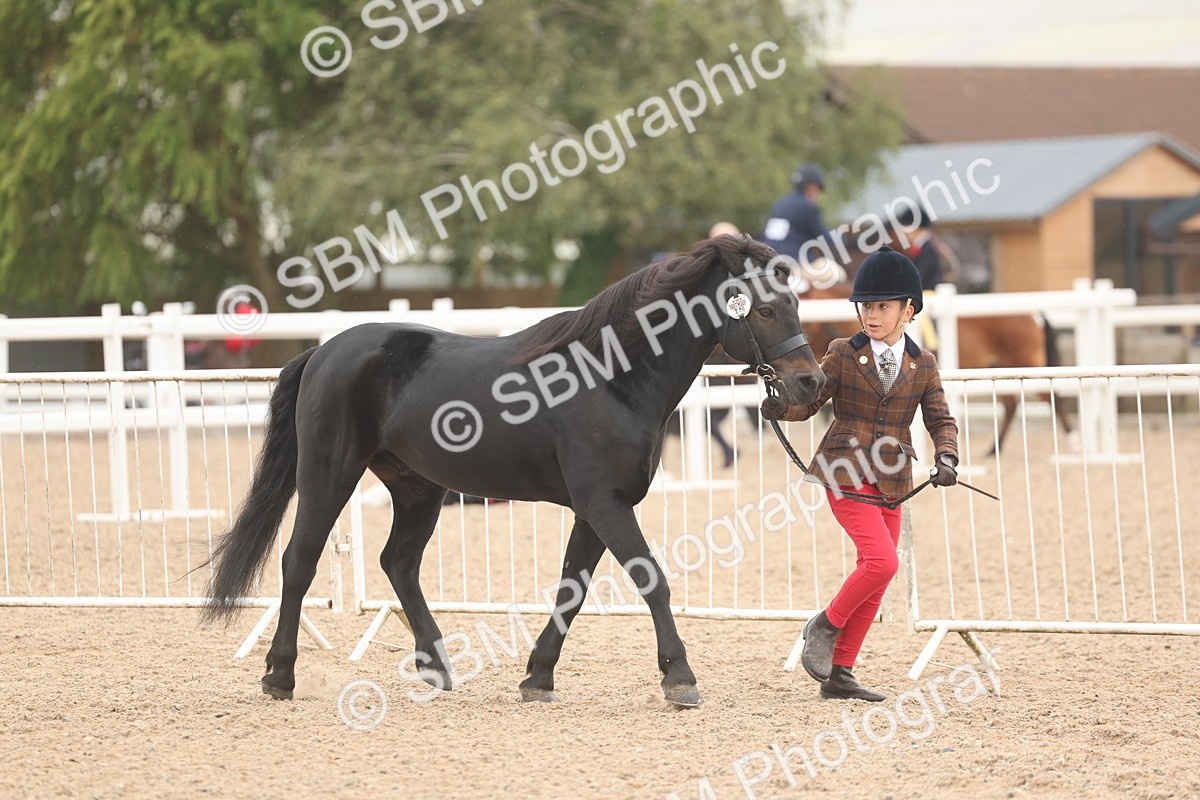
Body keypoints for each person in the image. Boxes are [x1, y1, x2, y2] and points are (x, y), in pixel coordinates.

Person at [760, 246, 960, 701]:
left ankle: (841, 674)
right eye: (866, 306)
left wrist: (947, 456)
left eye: (882, 307)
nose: (871, 315)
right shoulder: (841, 353)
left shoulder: (923, 363)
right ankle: (825, 625)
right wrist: (782, 406)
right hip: (844, 469)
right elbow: (810, 402)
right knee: (883, 561)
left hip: (892, 477)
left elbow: (940, 419)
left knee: (878, 574)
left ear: (908, 310)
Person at [759, 164, 840, 269]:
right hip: (791, 260)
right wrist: (843, 239)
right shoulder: (808, 206)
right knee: (836, 272)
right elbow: (823, 236)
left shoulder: (780, 203)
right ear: (812, 187)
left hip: (766, 256)